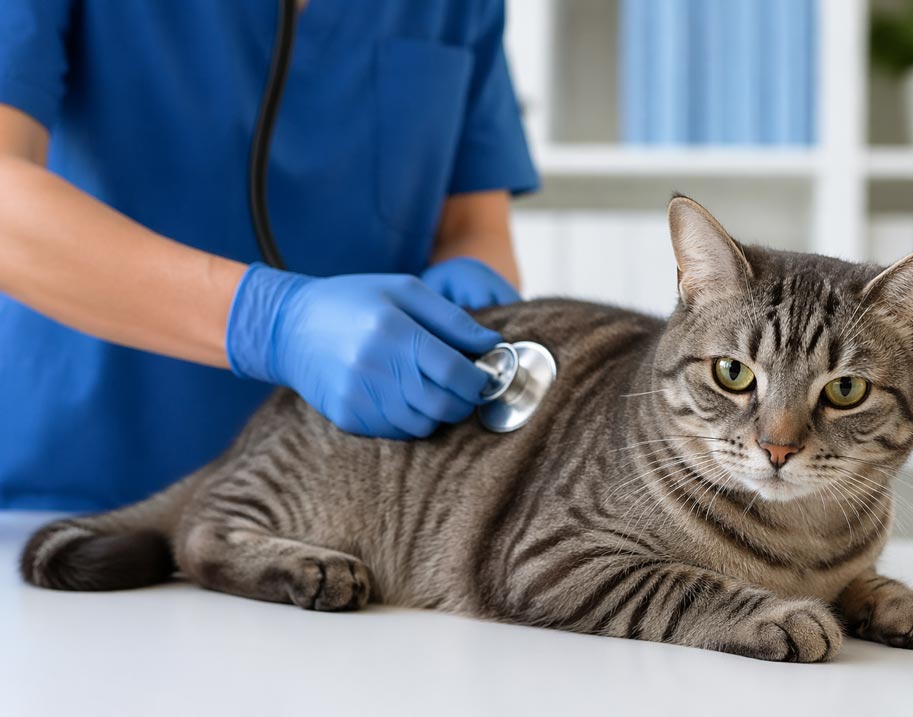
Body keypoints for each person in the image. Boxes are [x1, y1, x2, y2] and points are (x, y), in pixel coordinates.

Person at [0, 1, 538, 511]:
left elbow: (473, 226)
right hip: (73, 504)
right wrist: (271, 322)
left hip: (334, 518)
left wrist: (476, 283)